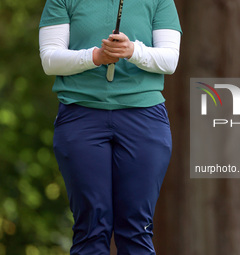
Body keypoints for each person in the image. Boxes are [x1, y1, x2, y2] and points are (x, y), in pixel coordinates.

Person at [38, 0, 182, 254]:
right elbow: (50, 59)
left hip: (144, 117)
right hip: (80, 115)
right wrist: (96, 57)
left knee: (137, 228)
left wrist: (131, 51)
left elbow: (169, 60)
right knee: (91, 227)